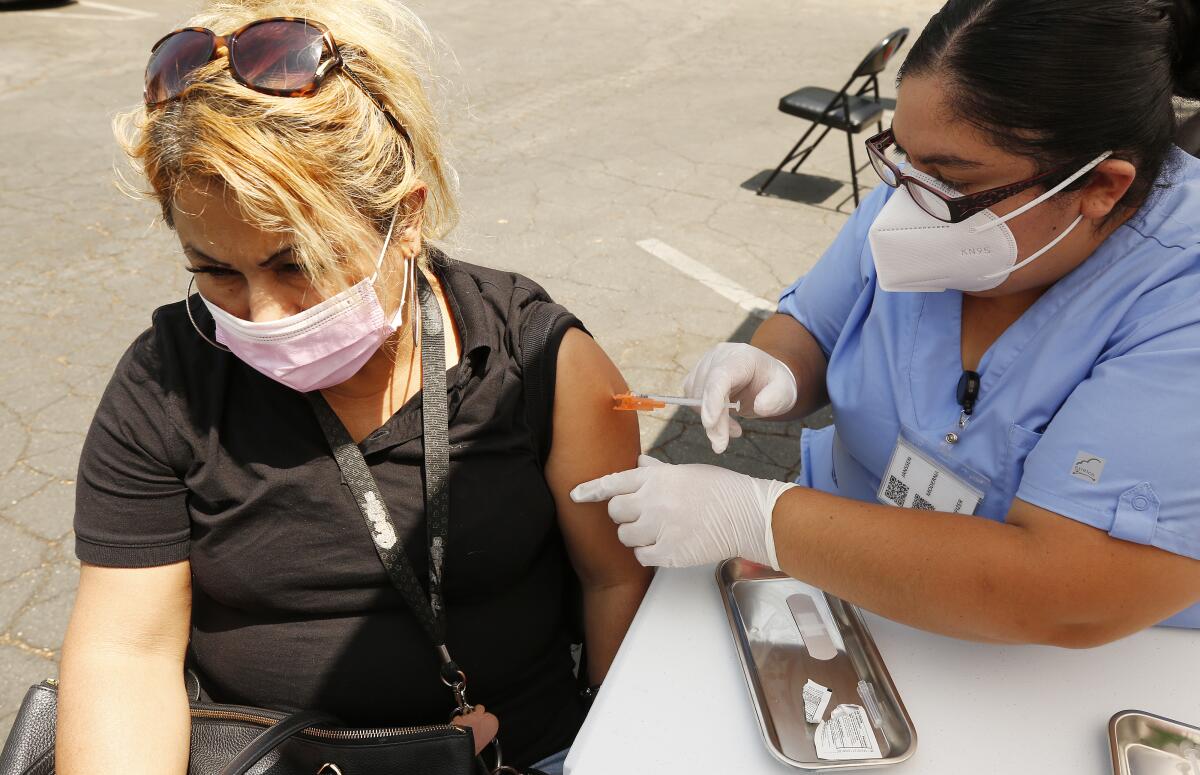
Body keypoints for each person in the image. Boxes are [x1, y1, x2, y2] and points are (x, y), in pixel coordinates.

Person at [56, 2, 651, 774]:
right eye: (215, 272)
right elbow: (123, 655)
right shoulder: (163, 385)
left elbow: (615, 578)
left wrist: (617, 737)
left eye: (295, 263)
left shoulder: (539, 362)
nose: (263, 315)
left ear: (406, 219)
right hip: (268, 758)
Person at [574, 0, 1200, 644]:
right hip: (836, 582)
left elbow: (1073, 592)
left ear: (1102, 186)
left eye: (947, 177)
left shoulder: (1182, 299)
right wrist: (775, 367)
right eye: (900, 158)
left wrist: (758, 518)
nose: (905, 204)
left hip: (1041, 665)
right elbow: (812, 324)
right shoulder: (928, 190)